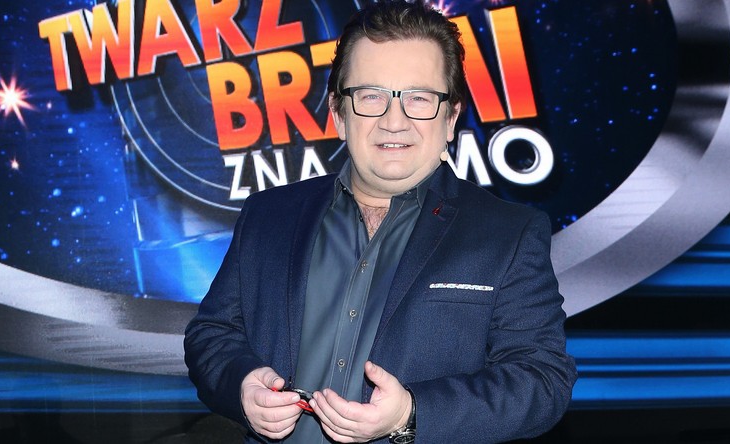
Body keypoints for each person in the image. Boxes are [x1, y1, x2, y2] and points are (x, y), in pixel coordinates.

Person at [184, 1, 577, 442]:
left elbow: (542, 380)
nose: (394, 121)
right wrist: (241, 385)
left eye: (419, 98)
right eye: (371, 96)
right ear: (338, 113)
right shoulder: (267, 216)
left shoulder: (510, 233)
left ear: (451, 117)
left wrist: (411, 413)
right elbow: (212, 334)